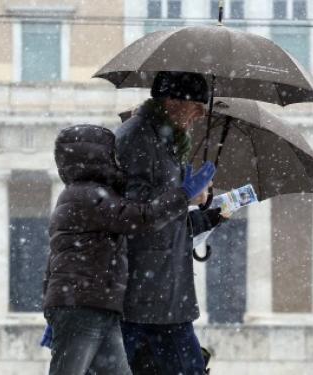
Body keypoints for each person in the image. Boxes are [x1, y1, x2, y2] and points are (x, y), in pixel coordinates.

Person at [42, 124, 215, 375]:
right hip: (84, 306)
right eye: (113, 154)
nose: (119, 160)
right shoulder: (90, 196)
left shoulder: (87, 195)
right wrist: (183, 194)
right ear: (98, 158)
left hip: (99, 306)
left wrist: (204, 214)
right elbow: (143, 218)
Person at [115, 71, 226, 375]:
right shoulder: (139, 139)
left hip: (160, 294)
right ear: (172, 101)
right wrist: (184, 195)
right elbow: (137, 216)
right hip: (149, 297)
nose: (201, 115)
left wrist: (209, 215)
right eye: (197, 105)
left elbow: (166, 224)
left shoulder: (162, 141)